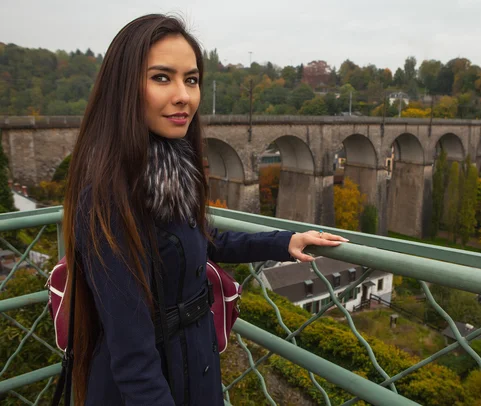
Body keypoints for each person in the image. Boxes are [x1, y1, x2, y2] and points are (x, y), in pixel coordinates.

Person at [61, 14, 347, 406]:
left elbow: (203, 242)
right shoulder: (109, 196)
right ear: (123, 88)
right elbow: (133, 359)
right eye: (162, 77)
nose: (184, 96)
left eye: (191, 79)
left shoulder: (171, 172)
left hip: (195, 366)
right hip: (155, 385)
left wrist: (285, 241)